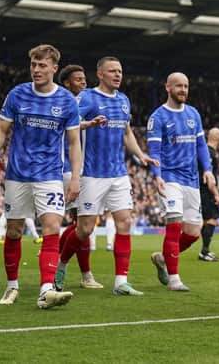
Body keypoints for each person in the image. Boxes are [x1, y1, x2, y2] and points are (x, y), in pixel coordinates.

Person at [0, 44, 81, 309]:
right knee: (14, 232)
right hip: (17, 173)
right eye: (33, 65)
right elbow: (1, 129)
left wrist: (75, 177)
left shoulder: (66, 101)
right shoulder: (17, 95)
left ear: (54, 68)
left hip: (50, 175)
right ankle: (12, 286)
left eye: (42, 65)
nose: (36, 70)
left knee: (52, 227)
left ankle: (46, 289)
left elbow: (74, 143)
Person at [56, 56, 157, 296]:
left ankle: (121, 282)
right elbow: (67, 123)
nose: (117, 75)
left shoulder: (123, 100)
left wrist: (141, 155)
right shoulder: (87, 98)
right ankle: (61, 264)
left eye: (120, 71)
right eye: (112, 71)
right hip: (92, 174)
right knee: (85, 229)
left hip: (119, 173)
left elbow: (127, 133)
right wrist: (87, 124)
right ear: (100, 74)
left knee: (124, 222)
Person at [148, 72, 216, 292]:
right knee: (174, 223)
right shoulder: (158, 117)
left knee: (193, 233)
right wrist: (157, 175)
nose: (183, 90)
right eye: (178, 86)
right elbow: (154, 151)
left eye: (186, 86)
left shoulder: (193, 114)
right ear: (167, 87)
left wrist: (208, 170)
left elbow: (201, 146)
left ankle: (162, 257)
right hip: (169, 178)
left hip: (191, 180)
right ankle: (174, 278)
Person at [58, 64, 104, 288]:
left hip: (77, 169)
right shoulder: (65, 102)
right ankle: (81, 273)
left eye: (84, 78)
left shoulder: (79, 101)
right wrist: (91, 123)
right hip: (69, 169)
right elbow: (71, 127)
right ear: (67, 83)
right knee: (84, 226)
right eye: (78, 79)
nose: (83, 82)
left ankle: (59, 260)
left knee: (81, 224)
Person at [198, 127, 219, 262]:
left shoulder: (203, 151)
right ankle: (205, 251)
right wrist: (216, 193)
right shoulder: (210, 153)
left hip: (199, 189)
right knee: (212, 219)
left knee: (205, 220)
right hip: (206, 190)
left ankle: (204, 250)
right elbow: (209, 176)